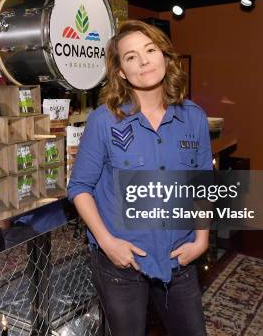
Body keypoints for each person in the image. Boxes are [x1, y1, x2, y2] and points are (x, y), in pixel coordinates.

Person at [67, 20, 212, 336]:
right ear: (120, 71)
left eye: (150, 50)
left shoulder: (194, 118)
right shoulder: (104, 121)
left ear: (164, 56)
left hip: (180, 258)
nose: (144, 61)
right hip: (122, 262)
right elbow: (80, 187)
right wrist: (108, 243)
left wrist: (202, 239)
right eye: (131, 56)